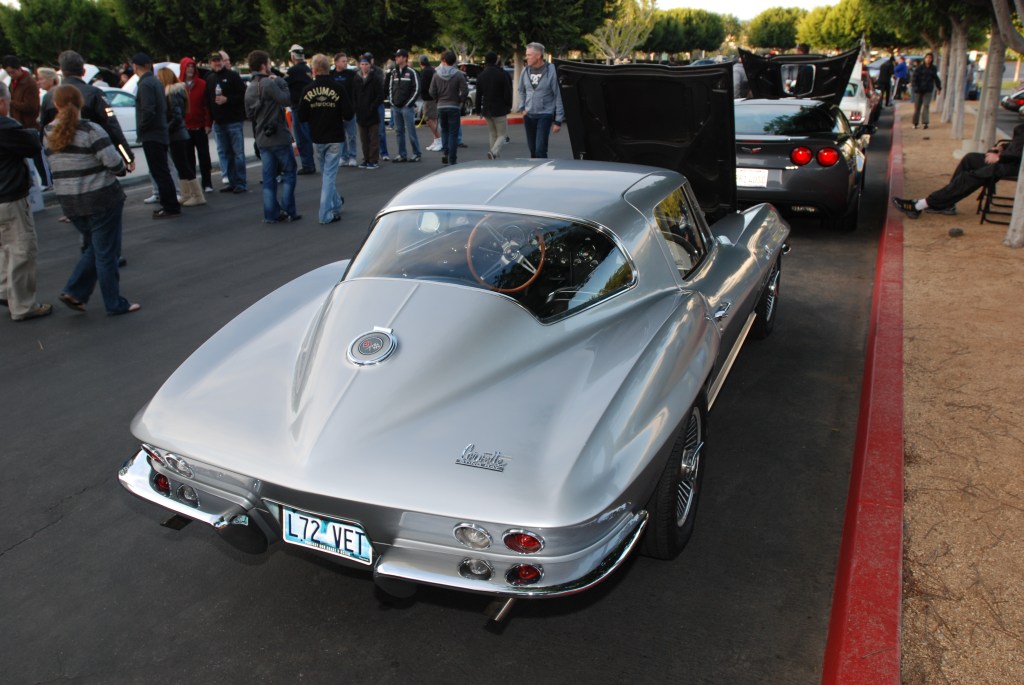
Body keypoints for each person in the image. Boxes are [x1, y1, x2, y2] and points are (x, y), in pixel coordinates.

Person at [44, 85, 139, 315]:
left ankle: (76, 291)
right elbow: (114, 163)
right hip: (100, 198)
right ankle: (113, 302)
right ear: (81, 103)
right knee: (106, 252)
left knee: (95, 249)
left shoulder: (48, 132)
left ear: (56, 105)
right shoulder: (91, 130)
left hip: (70, 202)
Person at [892, 123, 1024, 219]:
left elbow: (1019, 153)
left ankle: (920, 205)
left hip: (1015, 165)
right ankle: (947, 204)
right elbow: (1019, 144)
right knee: (970, 158)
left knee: (968, 178)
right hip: (1010, 159)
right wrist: (1003, 147)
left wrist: (1000, 157)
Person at [0, 81, 51, 321]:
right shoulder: (6, 127)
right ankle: (23, 305)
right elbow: (32, 144)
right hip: (8, 196)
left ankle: (4, 290)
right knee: (21, 249)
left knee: (4, 248)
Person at [40, 51, 135, 171]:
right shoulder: (94, 94)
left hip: (62, 163)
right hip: (93, 158)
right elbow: (112, 127)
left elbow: (43, 130)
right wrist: (127, 156)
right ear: (83, 72)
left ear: (62, 71)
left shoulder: (49, 97)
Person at [244, 49, 300, 223]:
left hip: (262, 136)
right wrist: (281, 82)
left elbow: (249, 114)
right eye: (268, 64)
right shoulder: (268, 84)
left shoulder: (250, 87)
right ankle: (288, 208)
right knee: (290, 172)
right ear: (263, 65)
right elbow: (286, 99)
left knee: (269, 178)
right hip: (278, 135)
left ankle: (271, 214)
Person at [299, 53, 354, 224]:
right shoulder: (337, 88)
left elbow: (301, 116)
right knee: (329, 176)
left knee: (327, 175)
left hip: (317, 136)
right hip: (335, 136)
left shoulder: (308, 90)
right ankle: (325, 214)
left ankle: (336, 203)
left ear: (314, 70)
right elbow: (349, 113)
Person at [133, 53, 180, 218]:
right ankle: (171, 203)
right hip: (160, 131)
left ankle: (169, 205)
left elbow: (148, 110)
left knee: (159, 171)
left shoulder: (145, 84)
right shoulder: (156, 82)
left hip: (151, 133)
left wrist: (142, 127)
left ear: (135, 66)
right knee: (163, 170)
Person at [157, 67, 204, 207]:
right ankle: (187, 194)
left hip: (176, 134)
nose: (158, 80)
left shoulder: (171, 94)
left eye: (160, 78)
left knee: (184, 165)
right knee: (181, 165)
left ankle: (196, 195)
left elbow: (177, 117)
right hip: (178, 133)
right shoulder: (176, 93)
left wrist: (166, 128)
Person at [206, 50, 247, 193]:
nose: (217, 63)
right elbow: (208, 102)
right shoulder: (210, 79)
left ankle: (241, 182)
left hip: (234, 121)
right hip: (218, 123)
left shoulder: (233, 76)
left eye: (219, 60)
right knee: (226, 153)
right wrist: (209, 122)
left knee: (238, 154)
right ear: (210, 63)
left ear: (223, 61)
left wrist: (227, 99)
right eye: (214, 61)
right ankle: (232, 181)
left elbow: (243, 94)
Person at [516, 42, 563, 159]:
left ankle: (543, 175)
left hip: (545, 114)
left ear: (538, 56)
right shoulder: (525, 71)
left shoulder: (551, 71)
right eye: (526, 55)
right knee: (532, 150)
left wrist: (558, 120)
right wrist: (522, 108)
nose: (526, 57)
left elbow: (558, 95)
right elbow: (521, 90)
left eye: (529, 55)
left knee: (540, 150)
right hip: (529, 115)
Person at [179, 57, 214, 192]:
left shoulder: (201, 84)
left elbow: (206, 106)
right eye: (188, 67)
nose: (190, 70)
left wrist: (207, 123)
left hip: (200, 127)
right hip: (185, 128)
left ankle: (207, 183)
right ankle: (193, 183)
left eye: (192, 67)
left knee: (204, 156)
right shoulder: (179, 85)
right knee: (189, 159)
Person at [430, 50, 468, 166]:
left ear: (444, 60)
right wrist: (460, 100)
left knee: (445, 131)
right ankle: (452, 158)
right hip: (454, 106)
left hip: (441, 105)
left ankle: (445, 153)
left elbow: (432, 91)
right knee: (453, 133)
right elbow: (465, 90)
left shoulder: (436, 74)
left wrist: (437, 99)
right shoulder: (458, 75)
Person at [285, 44, 316, 175]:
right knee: (306, 135)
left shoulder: (293, 71)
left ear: (293, 56)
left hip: (298, 107)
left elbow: (283, 83)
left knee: (302, 137)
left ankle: (307, 164)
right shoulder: (307, 69)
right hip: (308, 106)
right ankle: (309, 164)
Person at [475, 51, 512, 159]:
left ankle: (495, 159)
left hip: (487, 109)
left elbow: (478, 94)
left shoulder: (481, 75)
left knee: (492, 134)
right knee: (502, 135)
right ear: (496, 60)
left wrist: (478, 109)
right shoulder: (502, 74)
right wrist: (508, 106)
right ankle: (494, 152)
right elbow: (508, 92)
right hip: (500, 108)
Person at [387, 49, 422, 163]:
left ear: (405, 58)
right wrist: (392, 101)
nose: (396, 58)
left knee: (411, 130)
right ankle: (402, 154)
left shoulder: (412, 72)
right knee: (399, 131)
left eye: (398, 56)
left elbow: (416, 89)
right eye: (396, 56)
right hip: (396, 106)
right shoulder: (394, 72)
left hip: (407, 107)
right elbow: (390, 88)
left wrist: (409, 103)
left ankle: (416, 153)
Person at [352, 54, 383, 170]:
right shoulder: (356, 78)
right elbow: (353, 95)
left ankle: (373, 159)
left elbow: (379, 95)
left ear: (370, 65)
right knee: (363, 139)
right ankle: (366, 158)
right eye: (362, 64)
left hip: (372, 112)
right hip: (360, 112)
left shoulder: (375, 78)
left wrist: (372, 107)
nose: (364, 66)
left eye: (366, 64)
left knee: (374, 138)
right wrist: (356, 107)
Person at [332, 52, 359, 167]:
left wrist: (354, 106)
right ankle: (343, 156)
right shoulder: (330, 74)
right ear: (336, 62)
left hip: (349, 108)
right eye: (343, 61)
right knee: (340, 136)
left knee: (352, 135)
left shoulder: (351, 74)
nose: (345, 63)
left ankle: (352, 156)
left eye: (346, 61)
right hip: (336, 110)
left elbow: (356, 91)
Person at [2, 56, 39, 130]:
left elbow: (31, 106)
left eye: (13, 72)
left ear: (19, 68)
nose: (11, 75)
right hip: (16, 123)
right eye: (8, 73)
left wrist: (10, 102)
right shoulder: (13, 81)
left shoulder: (29, 83)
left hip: (27, 126)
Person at [911, 52, 941, 129]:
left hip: (928, 90)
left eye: (930, 58)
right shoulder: (919, 68)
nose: (928, 59)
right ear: (924, 59)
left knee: (926, 105)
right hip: (919, 90)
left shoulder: (933, 68)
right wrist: (915, 87)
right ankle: (915, 123)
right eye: (927, 58)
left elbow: (936, 78)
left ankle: (925, 122)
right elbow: (914, 78)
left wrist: (939, 87)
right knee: (917, 107)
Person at [419, 55, 441, 151]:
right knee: (434, 118)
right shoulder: (432, 70)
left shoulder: (425, 72)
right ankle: (436, 140)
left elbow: (422, 86)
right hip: (434, 97)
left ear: (420, 63)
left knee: (428, 119)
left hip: (428, 98)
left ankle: (439, 139)